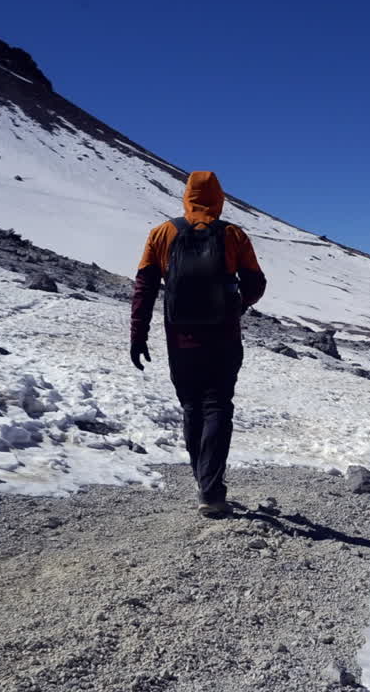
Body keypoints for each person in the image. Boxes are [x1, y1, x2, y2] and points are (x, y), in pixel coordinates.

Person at [130, 171, 266, 517]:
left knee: (192, 407)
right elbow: (255, 283)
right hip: (224, 337)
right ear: (219, 197)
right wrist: (238, 306)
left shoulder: (162, 233)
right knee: (218, 405)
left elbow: (144, 288)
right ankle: (212, 488)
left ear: (187, 196)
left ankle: (202, 480)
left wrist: (138, 333)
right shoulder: (233, 234)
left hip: (180, 338)